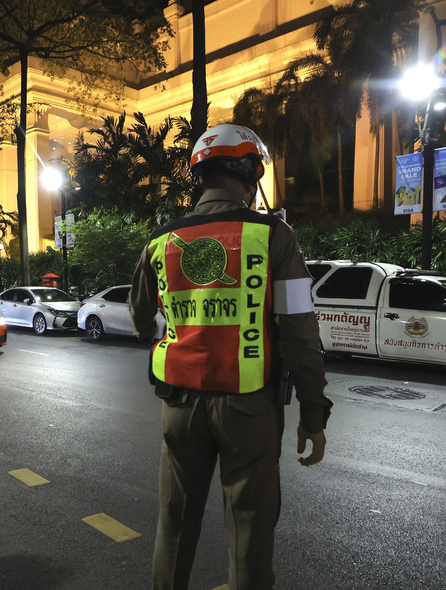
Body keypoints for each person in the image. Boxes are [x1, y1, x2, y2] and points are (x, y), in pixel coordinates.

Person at [129, 123, 332, 590]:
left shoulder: (161, 241)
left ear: (199, 177)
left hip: (179, 404)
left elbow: (142, 319)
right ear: (250, 173)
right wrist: (314, 415)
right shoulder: (274, 236)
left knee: (174, 527)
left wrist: (181, 331)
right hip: (249, 406)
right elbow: (301, 334)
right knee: (249, 534)